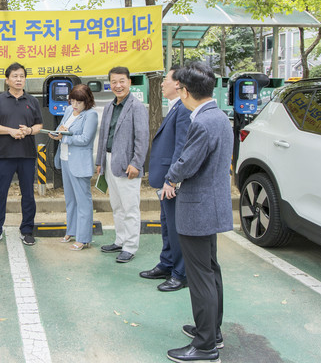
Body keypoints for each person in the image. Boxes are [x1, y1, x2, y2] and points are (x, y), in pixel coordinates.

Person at [161, 62, 233, 363]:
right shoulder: (220, 116)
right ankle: (212, 331)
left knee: (200, 276)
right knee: (210, 270)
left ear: (186, 91)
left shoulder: (202, 123)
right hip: (212, 205)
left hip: (197, 208)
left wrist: (170, 178)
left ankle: (205, 346)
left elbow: (187, 163)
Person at [139, 66, 192, 292]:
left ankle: (180, 273)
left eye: (166, 80)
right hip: (166, 180)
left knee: (175, 226)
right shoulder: (175, 106)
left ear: (178, 83)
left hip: (172, 181)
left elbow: (181, 147)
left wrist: (172, 180)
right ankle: (167, 263)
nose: (161, 84)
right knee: (167, 224)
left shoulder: (184, 109)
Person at [95, 66, 149, 263]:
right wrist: (100, 161)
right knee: (116, 205)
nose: (118, 86)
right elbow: (103, 136)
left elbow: (142, 138)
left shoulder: (137, 107)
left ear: (129, 82)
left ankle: (130, 246)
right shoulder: (109, 106)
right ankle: (120, 240)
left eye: (121, 81)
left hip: (128, 165)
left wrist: (136, 163)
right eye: (114, 82)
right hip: (110, 161)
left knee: (130, 208)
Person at [0, 62, 44, 247]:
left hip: (27, 155)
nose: (19, 79)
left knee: (28, 195)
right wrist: (11, 131)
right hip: (4, 155)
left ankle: (27, 230)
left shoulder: (32, 101)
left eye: (22, 76)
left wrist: (29, 130)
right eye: (15, 76)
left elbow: (39, 125)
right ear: (7, 80)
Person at [49, 84, 98, 251]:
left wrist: (64, 137)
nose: (75, 105)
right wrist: (56, 133)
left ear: (87, 101)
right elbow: (61, 128)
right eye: (72, 101)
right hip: (65, 159)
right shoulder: (69, 110)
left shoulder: (91, 115)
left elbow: (85, 139)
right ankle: (71, 230)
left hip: (79, 162)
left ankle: (83, 238)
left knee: (83, 201)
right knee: (70, 199)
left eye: (79, 102)